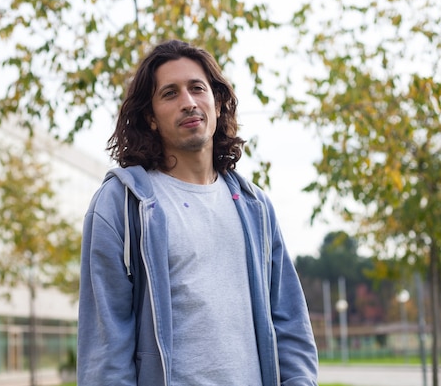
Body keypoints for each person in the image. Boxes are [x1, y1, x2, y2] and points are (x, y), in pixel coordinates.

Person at [77, 39, 318, 386]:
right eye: (170, 94)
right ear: (151, 118)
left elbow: (290, 323)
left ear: (218, 104)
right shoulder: (122, 204)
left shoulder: (255, 207)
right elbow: (105, 348)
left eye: (197, 89)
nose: (188, 103)